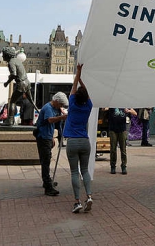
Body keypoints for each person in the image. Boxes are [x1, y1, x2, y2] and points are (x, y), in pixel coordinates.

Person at [63, 64, 94, 214]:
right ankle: (89, 196)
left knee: (75, 172)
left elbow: (74, 87)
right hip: (85, 141)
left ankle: (77, 202)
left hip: (73, 142)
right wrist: (81, 78)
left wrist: (78, 74)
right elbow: (83, 91)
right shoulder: (88, 106)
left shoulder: (72, 104)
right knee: (85, 170)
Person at [35, 92, 69, 196]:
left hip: (47, 137)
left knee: (47, 159)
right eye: (61, 104)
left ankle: (47, 181)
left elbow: (54, 124)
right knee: (45, 160)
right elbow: (50, 120)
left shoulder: (54, 108)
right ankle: (48, 186)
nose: (61, 107)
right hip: (43, 137)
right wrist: (62, 118)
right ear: (56, 101)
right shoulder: (48, 108)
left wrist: (52, 137)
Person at [106, 107, 137, 174]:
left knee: (123, 148)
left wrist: (128, 111)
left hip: (122, 129)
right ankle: (113, 166)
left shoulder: (124, 104)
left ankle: (124, 166)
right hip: (113, 128)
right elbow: (104, 108)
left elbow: (135, 113)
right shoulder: (112, 104)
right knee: (113, 149)